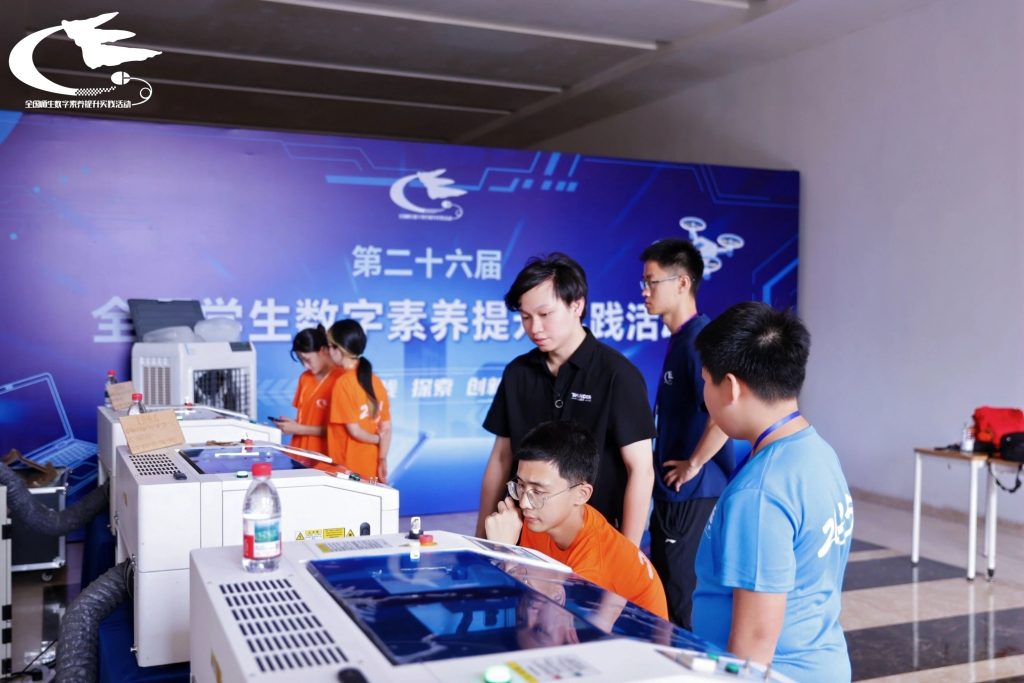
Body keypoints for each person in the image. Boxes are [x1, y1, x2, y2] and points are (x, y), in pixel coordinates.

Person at [692, 302, 852, 681]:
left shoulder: (760, 492)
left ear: (731, 387)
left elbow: (755, 643)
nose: (704, 396)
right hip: (822, 662)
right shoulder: (817, 451)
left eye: (706, 381)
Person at [476, 253, 656, 547]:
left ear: (577, 305)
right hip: (525, 536)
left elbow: (641, 470)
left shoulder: (618, 375)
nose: (534, 328)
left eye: (545, 314)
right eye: (525, 317)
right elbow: (501, 458)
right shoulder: (517, 373)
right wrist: (482, 540)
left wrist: (628, 553)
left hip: (593, 539)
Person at [639, 238, 734, 629]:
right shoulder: (682, 339)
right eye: (644, 283)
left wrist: (693, 463)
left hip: (691, 494)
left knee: (681, 602)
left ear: (682, 283)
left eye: (652, 281)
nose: (645, 291)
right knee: (667, 593)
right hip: (674, 493)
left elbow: (725, 413)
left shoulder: (700, 342)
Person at [484, 420, 669, 620]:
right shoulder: (541, 519)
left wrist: (506, 553)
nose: (524, 503)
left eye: (538, 491)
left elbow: (555, 625)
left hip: (630, 636)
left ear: (581, 494)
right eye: (520, 486)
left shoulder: (592, 564)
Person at [325, 319, 392, 482]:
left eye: (330, 346)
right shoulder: (375, 380)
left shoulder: (343, 383)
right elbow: (387, 427)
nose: (328, 351)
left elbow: (355, 432)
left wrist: (378, 439)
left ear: (339, 349)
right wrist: (382, 458)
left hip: (349, 469)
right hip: (372, 464)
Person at [272, 325, 342, 455]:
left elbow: (341, 430)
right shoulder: (305, 378)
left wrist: (299, 429)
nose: (305, 366)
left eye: (307, 359)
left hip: (325, 455)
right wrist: (293, 425)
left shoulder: (342, 380)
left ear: (323, 350)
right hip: (300, 452)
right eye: (301, 360)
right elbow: (307, 418)